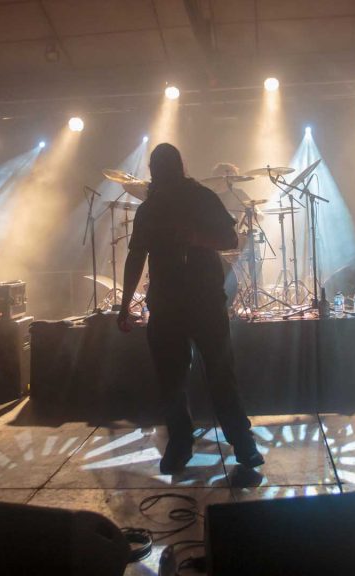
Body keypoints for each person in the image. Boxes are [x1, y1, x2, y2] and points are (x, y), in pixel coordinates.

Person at [117, 144, 263, 474]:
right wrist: (124, 304)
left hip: (204, 300)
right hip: (167, 303)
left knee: (218, 374)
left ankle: (241, 443)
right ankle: (184, 445)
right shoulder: (150, 209)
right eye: (157, 168)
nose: (159, 173)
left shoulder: (201, 198)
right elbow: (136, 256)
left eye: (162, 167)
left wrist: (196, 238)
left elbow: (231, 240)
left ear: (174, 168)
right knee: (174, 379)